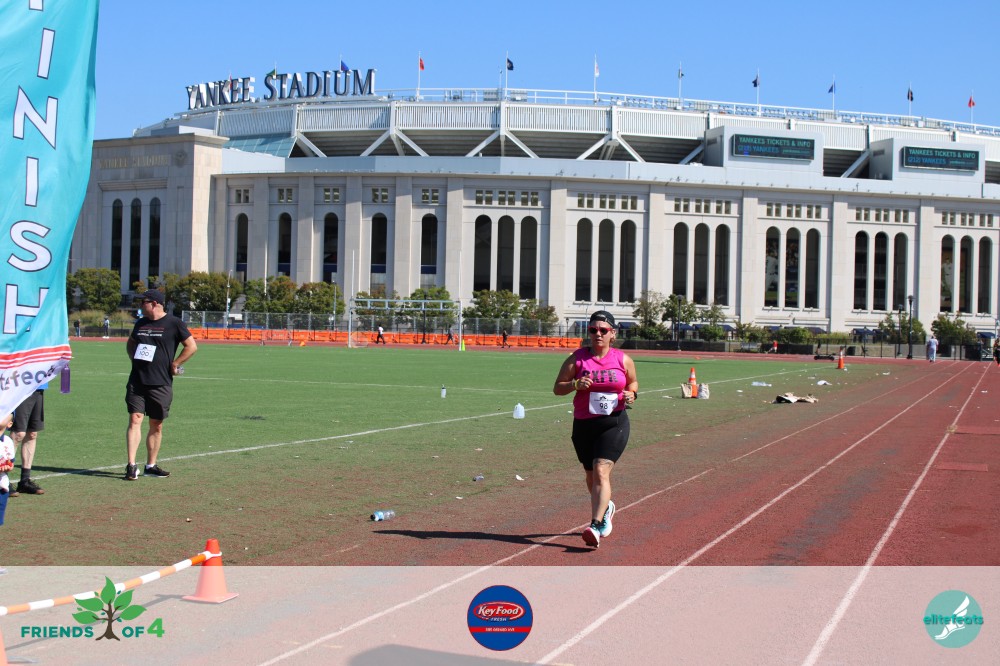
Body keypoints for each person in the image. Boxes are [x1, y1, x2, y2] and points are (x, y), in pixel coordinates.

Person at [552, 310, 638, 549]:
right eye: (593, 330)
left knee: (601, 470)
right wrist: (575, 384)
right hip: (584, 424)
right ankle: (606, 507)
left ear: (613, 333)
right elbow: (557, 388)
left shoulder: (623, 359)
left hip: (614, 423)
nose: (598, 334)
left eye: (603, 330)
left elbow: (632, 382)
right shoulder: (577, 359)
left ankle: (596, 525)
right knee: (591, 476)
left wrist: (632, 393)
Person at [124, 289, 197, 480]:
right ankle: (131, 465)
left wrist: (176, 363)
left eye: (143, 302)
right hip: (137, 380)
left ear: (155, 303)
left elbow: (191, 346)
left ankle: (151, 465)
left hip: (160, 382)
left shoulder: (174, 323)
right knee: (135, 419)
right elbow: (131, 343)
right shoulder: (140, 323)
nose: (140, 305)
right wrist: (133, 358)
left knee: (156, 424)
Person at [12, 386, 47, 495]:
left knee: (32, 434)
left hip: (38, 386)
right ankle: (2, 480)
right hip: (20, 387)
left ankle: (24, 481)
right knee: (18, 433)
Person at [0, 412, 15, 573]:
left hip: (2, 488)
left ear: (10, 424)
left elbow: (10, 463)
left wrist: (7, 467)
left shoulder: (8, 442)